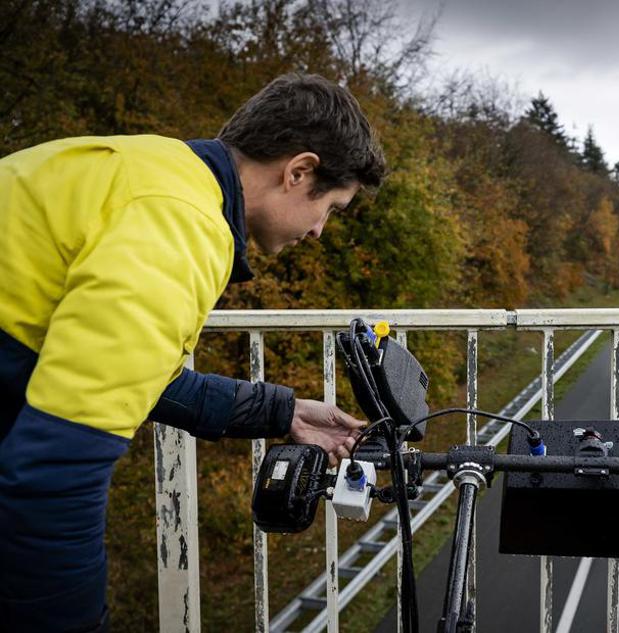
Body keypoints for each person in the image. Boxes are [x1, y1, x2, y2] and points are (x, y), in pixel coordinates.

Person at [0, 73, 386, 632]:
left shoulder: (157, 170)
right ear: (298, 171)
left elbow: (139, 376)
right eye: (330, 207)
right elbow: (53, 475)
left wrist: (285, 411)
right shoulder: (185, 226)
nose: (320, 231)